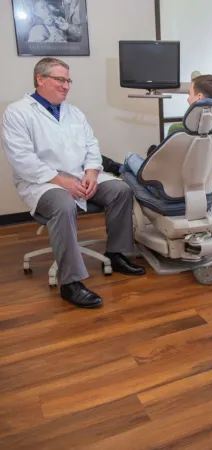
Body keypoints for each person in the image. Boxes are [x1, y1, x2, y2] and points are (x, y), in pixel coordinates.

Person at [1, 57, 146, 309]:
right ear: (40, 79)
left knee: (120, 189)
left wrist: (91, 172)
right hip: (42, 183)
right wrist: (61, 182)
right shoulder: (17, 112)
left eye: (68, 80)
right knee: (63, 203)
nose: (66, 86)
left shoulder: (74, 112)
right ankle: (71, 282)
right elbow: (22, 158)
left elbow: (92, 146)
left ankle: (116, 253)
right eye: (60, 79)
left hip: (81, 177)